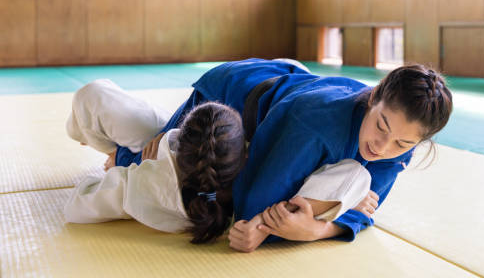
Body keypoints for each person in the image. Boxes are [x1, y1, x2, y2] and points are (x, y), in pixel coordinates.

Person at [105, 58, 453, 249]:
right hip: (229, 97)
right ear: (374, 97)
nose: (382, 148)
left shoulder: (398, 146)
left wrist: (317, 230)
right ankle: (121, 152)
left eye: (403, 144)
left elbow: (367, 208)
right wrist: (323, 211)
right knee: (168, 172)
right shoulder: (317, 124)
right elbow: (251, 206)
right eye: (381, 127)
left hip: (288, 89)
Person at [65, 92, 373, 246]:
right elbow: (355, 175)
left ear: (181, 134)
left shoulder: (147, 184)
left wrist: (132, 167)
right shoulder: (269, 181)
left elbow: (77, 204)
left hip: (142, 159)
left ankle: (111, 150)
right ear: (245, 153)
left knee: (92, 96)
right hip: (169, 153)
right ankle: (115, 149)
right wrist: (342, 206)